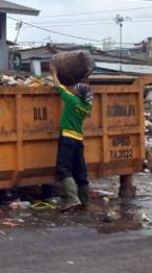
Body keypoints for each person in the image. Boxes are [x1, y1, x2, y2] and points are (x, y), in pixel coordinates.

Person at [50, 65, 93, 212]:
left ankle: (72, 198)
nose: (73, 90)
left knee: (63, 168)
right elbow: (85, 91)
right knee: (80, 170)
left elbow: (58, 86)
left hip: (67, 138)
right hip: (78, 140)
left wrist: (54, 73)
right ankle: (85, 201)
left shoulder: (72, 101)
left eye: (75, 90)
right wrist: (86, 76)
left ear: (78, 94)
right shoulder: (87, 107)